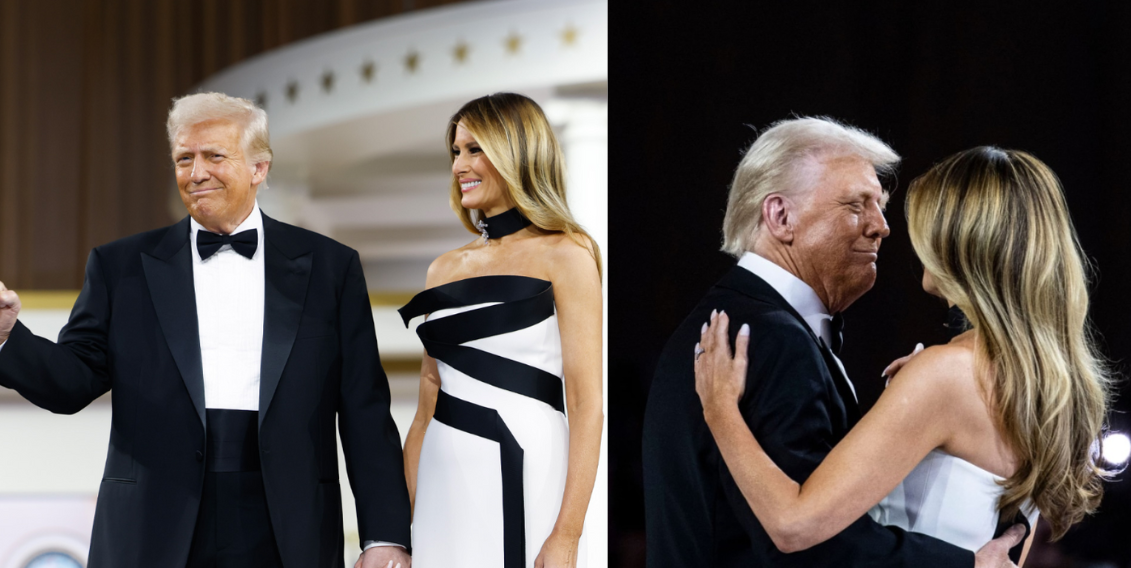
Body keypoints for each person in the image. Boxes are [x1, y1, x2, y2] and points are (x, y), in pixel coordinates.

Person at [0, 93, 410, 568]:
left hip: (287, 522)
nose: (196, 173)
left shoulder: (331, 267)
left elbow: (364, 411)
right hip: (155, 521)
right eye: (184, 159)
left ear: (260, 168)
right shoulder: (120, 266)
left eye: (214, 156)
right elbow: (71, 383)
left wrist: (384, 535)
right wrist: (9, 335)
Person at [694, 146, 1110, 563]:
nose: (896, 233)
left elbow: (792, 525)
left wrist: (720, 411)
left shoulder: (945, 375)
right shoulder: (1046, 383)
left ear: (957, 239)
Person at [642, 117, 1027, 568]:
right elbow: (807, 543)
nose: (882, 226)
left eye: (880, 206)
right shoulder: (764, 338)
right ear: (781, 217)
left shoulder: (739, 317)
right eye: (857, 205)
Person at [397, 92, 603, 568]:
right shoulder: (443, 269)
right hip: (441, 482)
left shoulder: (568, 256)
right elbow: (425, 411)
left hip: (528, 469)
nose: (459, 166)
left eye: (474, 150)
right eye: (455, 152)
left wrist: (567, 534)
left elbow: (588, 405)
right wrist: (403, 529)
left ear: (518, 152)